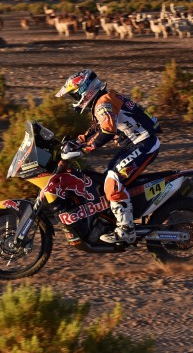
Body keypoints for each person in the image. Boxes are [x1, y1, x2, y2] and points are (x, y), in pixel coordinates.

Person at [55, 69, 161, 244]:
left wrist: (85, 149)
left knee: (112, 182)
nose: (74, 100)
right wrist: (77, 141)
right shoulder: (102, 101)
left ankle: (126, 229)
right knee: (105, 179)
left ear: (85, 90)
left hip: (144, 144)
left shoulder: (102, 103)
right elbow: (97, 128)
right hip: (138, 144)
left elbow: (107, 130)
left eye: (74, 95)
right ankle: (115, 220)